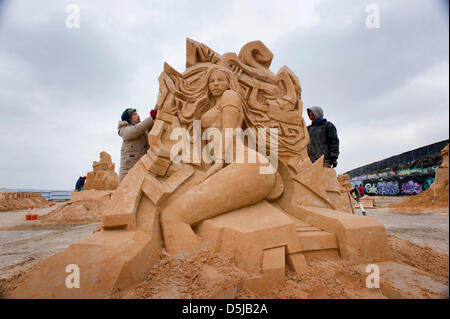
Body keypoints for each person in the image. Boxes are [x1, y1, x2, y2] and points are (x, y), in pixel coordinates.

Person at [118, 107, 157, 182]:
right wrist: (151, 118)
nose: (137, 115)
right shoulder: (124, 129)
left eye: (137, 114)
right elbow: (136, 130)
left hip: (141, 171)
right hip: (127, 173)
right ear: (129, 118)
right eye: (134, 114)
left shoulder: (142, 129)